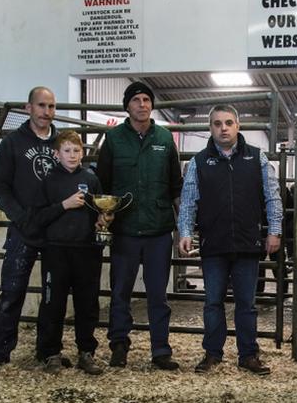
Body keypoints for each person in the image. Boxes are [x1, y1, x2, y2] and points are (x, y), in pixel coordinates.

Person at [178, 104, 283, 376]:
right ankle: (213, 353)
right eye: (216, 123)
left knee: (246, 303)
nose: (223, 128)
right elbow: (189, 201)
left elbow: (273, 196)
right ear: (210, 128)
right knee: (213, 301)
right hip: (214, 244)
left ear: (237, 125)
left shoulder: (257, 159)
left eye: (228, 122)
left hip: (248, 243)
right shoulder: (198, 163)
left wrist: (275, 230)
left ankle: (248, 355)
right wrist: (185, 232)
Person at [96, 81, 182, 370]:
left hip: (158, 229)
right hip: (125, 228)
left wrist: (183, 226)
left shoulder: (165, 139)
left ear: (152, 105)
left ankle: (161, 350)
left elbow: (175, 186)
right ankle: (119, 346)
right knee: (120, 292)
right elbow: (103, 184)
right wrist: (104, 215)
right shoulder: (113, 139)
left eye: (147, 99)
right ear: (127, 106)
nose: (142, 104)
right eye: (136, 100)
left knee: (159, 294)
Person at [0, 86, 59, 374]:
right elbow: (1, 187)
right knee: (12, 291)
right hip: (23, 229)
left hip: (55, 231)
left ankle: (48, 351)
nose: (46, 112)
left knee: (52, 294)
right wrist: (20, 217)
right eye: (41, 106)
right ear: (28, 108)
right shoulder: (12, 142)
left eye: (51, 107)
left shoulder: (62, 142)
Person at [32, 130, 104, 375]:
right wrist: (65, 204)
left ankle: (86, 352)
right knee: (54, 303)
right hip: (56, 250)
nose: (72, 155)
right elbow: (38, 217)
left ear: (82, 152)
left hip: (86, 250)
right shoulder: (48, 181)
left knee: (87, 303)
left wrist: (104, 219)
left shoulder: (91, 180)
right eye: (67, 151)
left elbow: (99, 210)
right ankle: (50, 352)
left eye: (76, 150)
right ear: (56, 154)